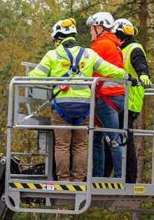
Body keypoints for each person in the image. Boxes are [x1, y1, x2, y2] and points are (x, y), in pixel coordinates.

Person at [28, 18, 130, 182]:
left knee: (62, 145)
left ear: (58, 39)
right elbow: (108, 69)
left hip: (62, 107)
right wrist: (127, 76)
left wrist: (29, 77)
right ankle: (78, 180)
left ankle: (63, 180)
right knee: (80, 145)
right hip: (84, 108)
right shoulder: (89, 54)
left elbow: (34, 77)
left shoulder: (52, 55)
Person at [86, 12, 126, 179]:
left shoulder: (101, 45)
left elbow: (86, 66)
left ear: (100, 27)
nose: (90, 32)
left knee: (112, 139)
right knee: (98, 138)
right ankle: (98, 176)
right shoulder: (115, 45)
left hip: (105, 98)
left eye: (92, 29)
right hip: (116, 98)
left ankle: (117, 177)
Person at [114, 18, 151, 184]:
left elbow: (141, 64)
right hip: (123, 101)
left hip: (129, 102)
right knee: (118, 138)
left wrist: (144, 74)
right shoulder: (125, 49)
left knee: (125, 140)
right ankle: (122, 175)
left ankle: (129, 178)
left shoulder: (133, 49)